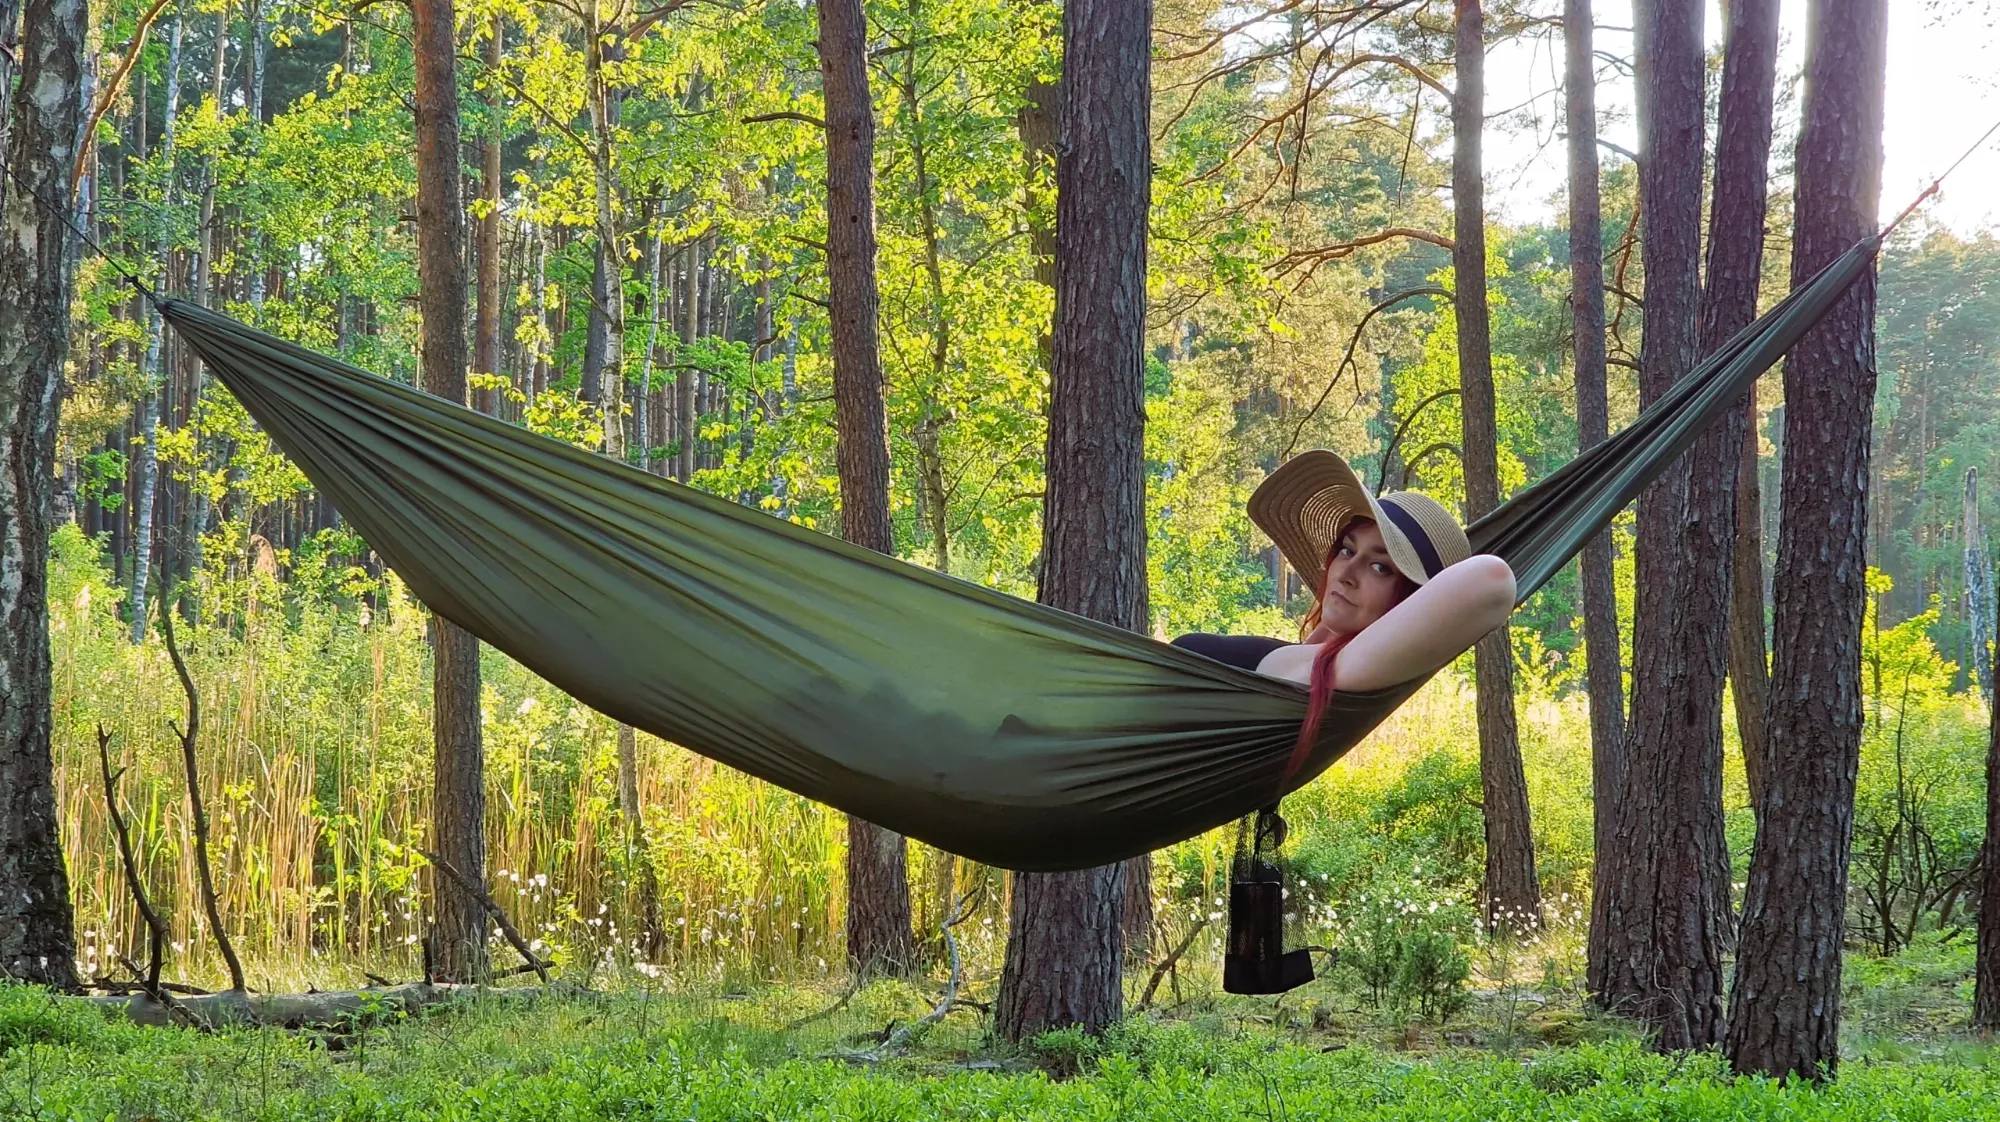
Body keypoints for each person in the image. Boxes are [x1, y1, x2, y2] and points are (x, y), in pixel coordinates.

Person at [1172, 450, 1518, 760]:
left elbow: (1493, 577)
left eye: (1380, 567)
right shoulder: (1329, 659)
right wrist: (1329, 623)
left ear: (1414, 605)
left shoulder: (1355, 668)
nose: (1346, 573)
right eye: (1347, 550)